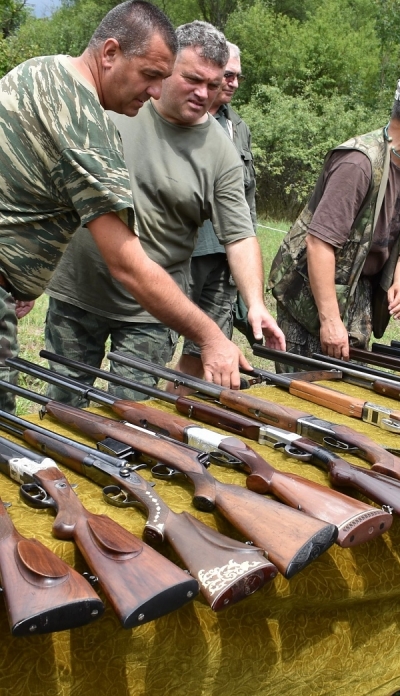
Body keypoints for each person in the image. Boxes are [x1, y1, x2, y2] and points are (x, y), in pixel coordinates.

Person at [0, 1, 257, 414]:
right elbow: (127, 264)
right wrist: (211, 337)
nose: (155, 90)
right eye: (151, 75)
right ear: (110, 53)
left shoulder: (37, 69)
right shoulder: (86, 124)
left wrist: (12, 277)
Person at [269, 66, 400, 366]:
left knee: (347, 387)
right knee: (301, 390)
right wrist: (330, 320)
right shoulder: (358, 163)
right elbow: (319, 244)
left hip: (356, 294)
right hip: (310, 296)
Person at [174, 41, 256, 380]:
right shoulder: (179, 116)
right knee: (160, 338)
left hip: (225, 256)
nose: (233, 83)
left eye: (238, 76)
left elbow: (246, 194)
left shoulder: (238, 127)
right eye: (227, 75)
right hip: (185, 253)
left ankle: (186, 405)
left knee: (206, 346)